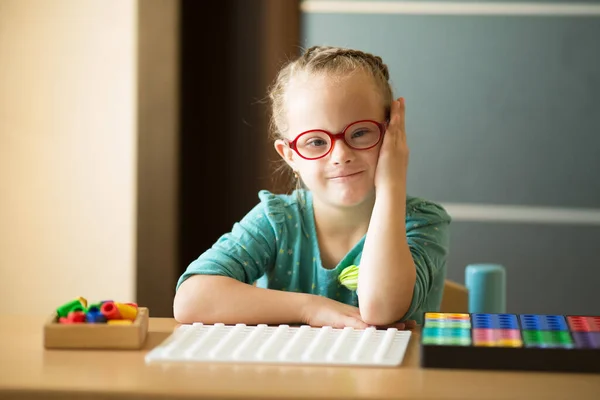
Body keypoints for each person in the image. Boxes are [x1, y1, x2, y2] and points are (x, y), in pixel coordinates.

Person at [173, 46, 451, 329]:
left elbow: (381, 309)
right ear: (290, 155)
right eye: (316, 141)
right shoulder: (277, 220)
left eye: (360, 132)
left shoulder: (423, 222)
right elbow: (190, 300)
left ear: (393, 132)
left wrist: (392, 181)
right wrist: (311, 308)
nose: (341, 154)